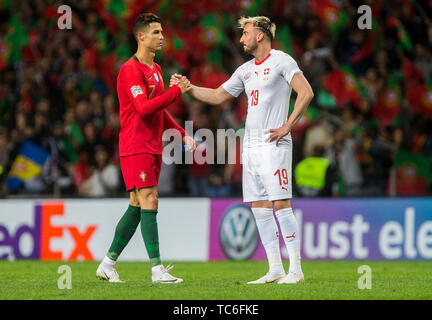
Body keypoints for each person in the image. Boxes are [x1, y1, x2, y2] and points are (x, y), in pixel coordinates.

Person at [172, 16, 314, 284]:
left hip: (274, 144)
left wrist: (287, 126)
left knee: (281, 203)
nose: (241, 38)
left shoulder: (282, 61)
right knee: (259, 207)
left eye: (245, 33)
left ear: (260, 35)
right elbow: (216, 95)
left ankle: (296, 269)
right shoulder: (245, 70)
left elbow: (306, 93)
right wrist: (188, 88)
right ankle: (275, 269)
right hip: (250, 147)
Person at [96, 13, 195, 284]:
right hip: (135, 144)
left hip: (152, 145)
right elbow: (142, 109)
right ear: (140, 36)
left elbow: (159, 112)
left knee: (138, 205)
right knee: (150, 198)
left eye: (162, 32)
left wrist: (182, 133)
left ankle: (107, 263)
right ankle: (157, 270)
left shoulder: (157, 70)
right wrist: (176, 92)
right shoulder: (130, 70)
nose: (161, 36)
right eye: (155, 32)